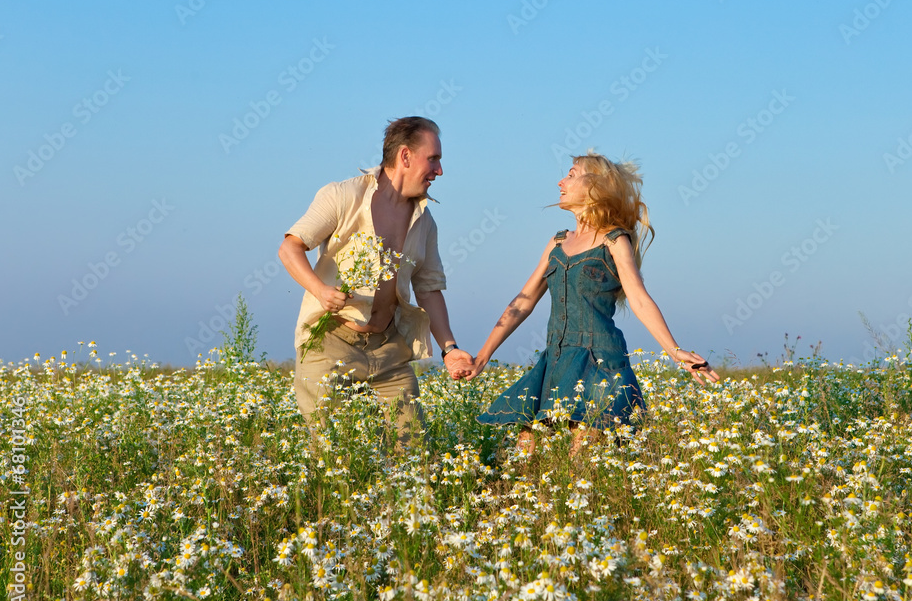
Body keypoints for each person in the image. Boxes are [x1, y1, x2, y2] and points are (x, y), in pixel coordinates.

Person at [464, 152, 719, 455]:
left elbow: (638, 298)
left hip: (599, 360)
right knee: (526, 450)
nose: (561, 181)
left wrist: (674, 351)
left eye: (571, 174)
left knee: (582, 453)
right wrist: (482, 356)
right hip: (556, 360)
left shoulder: (614, 240)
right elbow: (523, 301)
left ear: (596, 185)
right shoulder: (557, 243)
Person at [279, 116, 474, 444]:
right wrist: (320, 291)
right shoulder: (342, 196)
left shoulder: (425, 221)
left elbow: (429, 290)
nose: (439, 171)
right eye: (434, 159)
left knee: (412, 450)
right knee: (332, 453)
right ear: (406, 157)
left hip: (389, 350)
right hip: (330, 344)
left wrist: (449, 349)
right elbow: (290, 248)